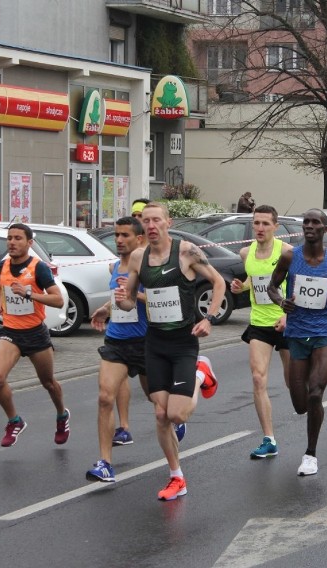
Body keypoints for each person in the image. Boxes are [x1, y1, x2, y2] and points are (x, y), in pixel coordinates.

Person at [117, 202, 223, 501]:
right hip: (155, 342)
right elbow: (129, 302)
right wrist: (121, 299)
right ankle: (177, 476)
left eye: (155, 220)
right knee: (161, 414)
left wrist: (209, 318)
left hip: (183, 342)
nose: (150, 226)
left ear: (167, 222)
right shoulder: (138, 257)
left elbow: (218, 283)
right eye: (145, 221)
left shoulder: (186, 251)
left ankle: (201, 373)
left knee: (178, 414)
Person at [267, 208, 327, 476]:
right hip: (296, 333)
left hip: (325, 332)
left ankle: (311, 454)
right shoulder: (289, 257)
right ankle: (312, 413)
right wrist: (280, 302)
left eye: (315, 222)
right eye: (306, 222)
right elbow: (273, 287)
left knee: (316, 391)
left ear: (325, 228)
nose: (309, 226)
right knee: (300, 404)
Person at [0, 223, 69, 448]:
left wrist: (29, 293)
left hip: (35, 334)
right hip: (11, 332)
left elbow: (58, 299)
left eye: (18, 238)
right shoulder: (1, 267)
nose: (12, 242)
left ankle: (62, 415)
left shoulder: (39, 268)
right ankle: (14, 421)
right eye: (9, 238)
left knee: (48, 383)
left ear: (29, 243)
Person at [85, 216, 151, 482]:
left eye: (125, 235)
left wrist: (135, 294)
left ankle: (176, 418)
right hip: (116, 341)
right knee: (104, 397)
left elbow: (163, 299)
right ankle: (104, 463)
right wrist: (105, 308)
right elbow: (117, 297)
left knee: (158, 402)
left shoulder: (148, 267)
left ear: (140, 239)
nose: (120, 240)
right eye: (117, 235)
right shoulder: (114, 267)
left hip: (146, 341)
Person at [230, 205, 293, 458]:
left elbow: (299, 284)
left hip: (286, 322)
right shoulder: (246, 253)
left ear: (275, 227)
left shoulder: (287, 252)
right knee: (258, 378)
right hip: (259, 324)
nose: (260, 228)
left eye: (265, 223)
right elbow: (253, 281)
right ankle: (269, 438)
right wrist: (240, 287)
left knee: (293, 383)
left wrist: (289, 315)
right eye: (256, 223)